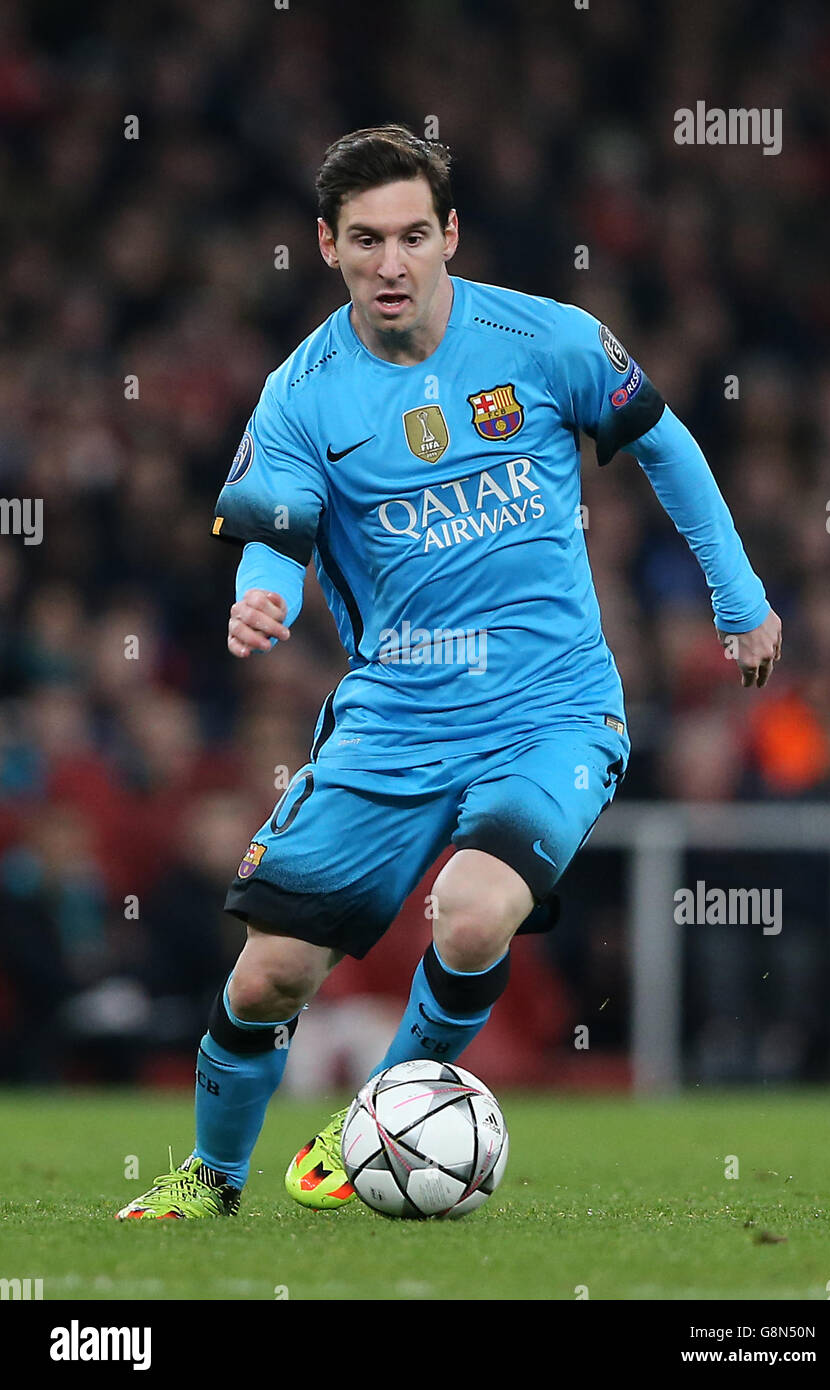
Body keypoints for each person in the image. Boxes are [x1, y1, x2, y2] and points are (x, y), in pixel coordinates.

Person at [117, 124, 781, 1220]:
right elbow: (274, 524)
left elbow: (665, 442)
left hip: (553, 710)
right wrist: (264, 587)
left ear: (450, 235)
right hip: (393, 719)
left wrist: (739, 596)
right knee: (269, 976)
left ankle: (376, 1112)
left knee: (473, 914)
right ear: (325, 245)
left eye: (413, 236)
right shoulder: (302, 393)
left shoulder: (547, 339)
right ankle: (211, 1179)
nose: (391, 263)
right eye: (366, 239)